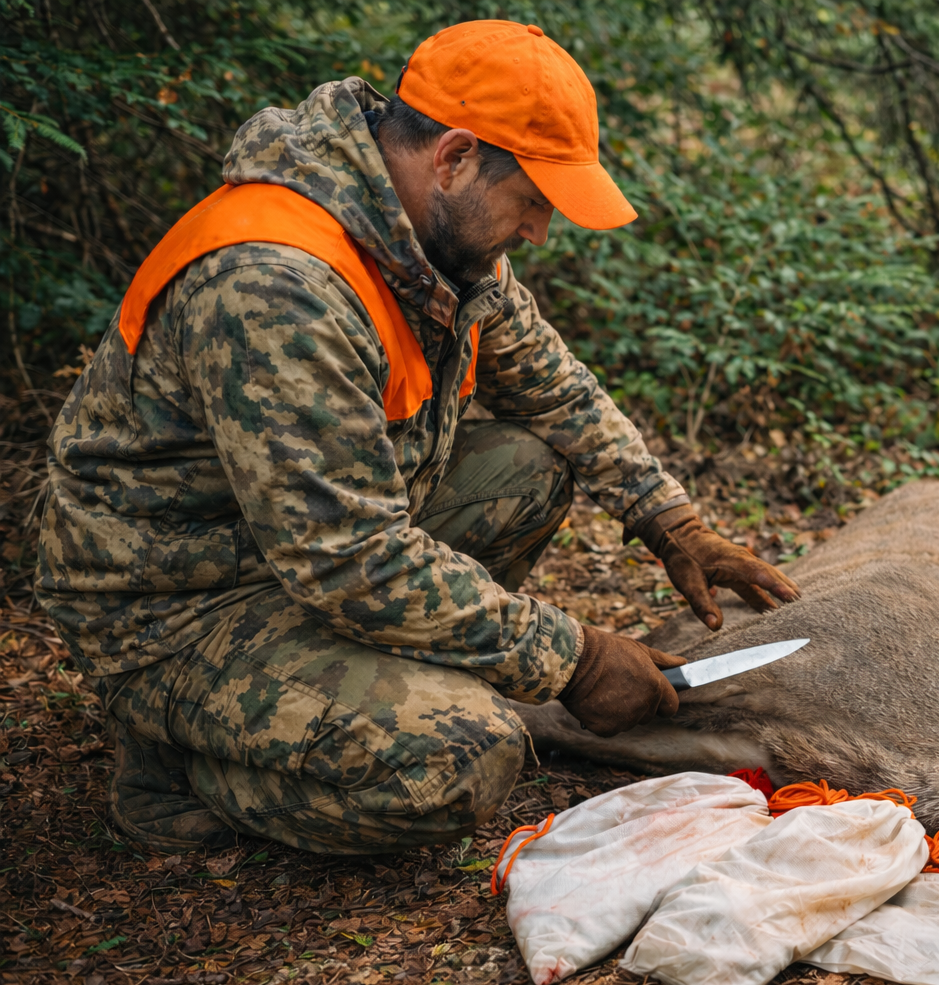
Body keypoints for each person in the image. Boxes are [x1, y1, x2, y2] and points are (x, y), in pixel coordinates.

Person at [35, 20, 798, 856]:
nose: (539, 232)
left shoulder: (434, 249)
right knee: (462, 758)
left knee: (529, 469)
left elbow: (553, 387)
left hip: (284, 558)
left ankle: (353, 685)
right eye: (535, 201)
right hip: (177, 605)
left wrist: (672, 522)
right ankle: (174, 768)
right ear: (456, 157)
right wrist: (571, 660)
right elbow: (349, 557)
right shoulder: (275, 284)